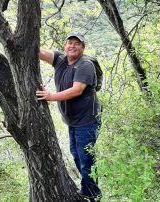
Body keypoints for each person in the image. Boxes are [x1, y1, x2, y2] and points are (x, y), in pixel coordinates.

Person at [36, 32, 102, 201]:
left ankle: (92, 196)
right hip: (73, 121)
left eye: (77, 44)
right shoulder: (60, 59)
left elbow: (77, 90)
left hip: (87, 121)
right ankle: (88, 190)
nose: (73, 46)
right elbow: (39, 52)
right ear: (65, 46)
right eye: (70, 43)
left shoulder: (85, 64)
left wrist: (50, 96)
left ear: (82, 48)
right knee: (76, 155)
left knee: (86, 160)